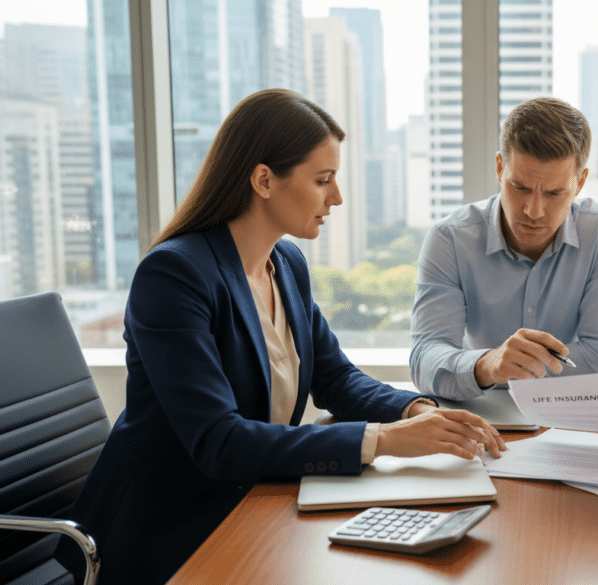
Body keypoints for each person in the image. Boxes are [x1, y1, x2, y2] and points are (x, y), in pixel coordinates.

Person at [56, 88, 505, 585]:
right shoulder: (175, 275)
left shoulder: (285, 263)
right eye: (323, 180)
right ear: (264, 180)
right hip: (169, 533)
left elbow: (335, 378)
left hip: (252, 504)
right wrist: (387, 441)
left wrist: (418, 413)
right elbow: (219, 442)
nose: (336, 197)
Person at [410, 97, 598, 401]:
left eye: (555, 193)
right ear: (500, 168)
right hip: (482, 417)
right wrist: (486, 365)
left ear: (580, 182)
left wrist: (515, 367)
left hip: (568, 418)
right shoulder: (449, 239)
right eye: (520, 188)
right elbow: (424, 357)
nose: (534, 211)